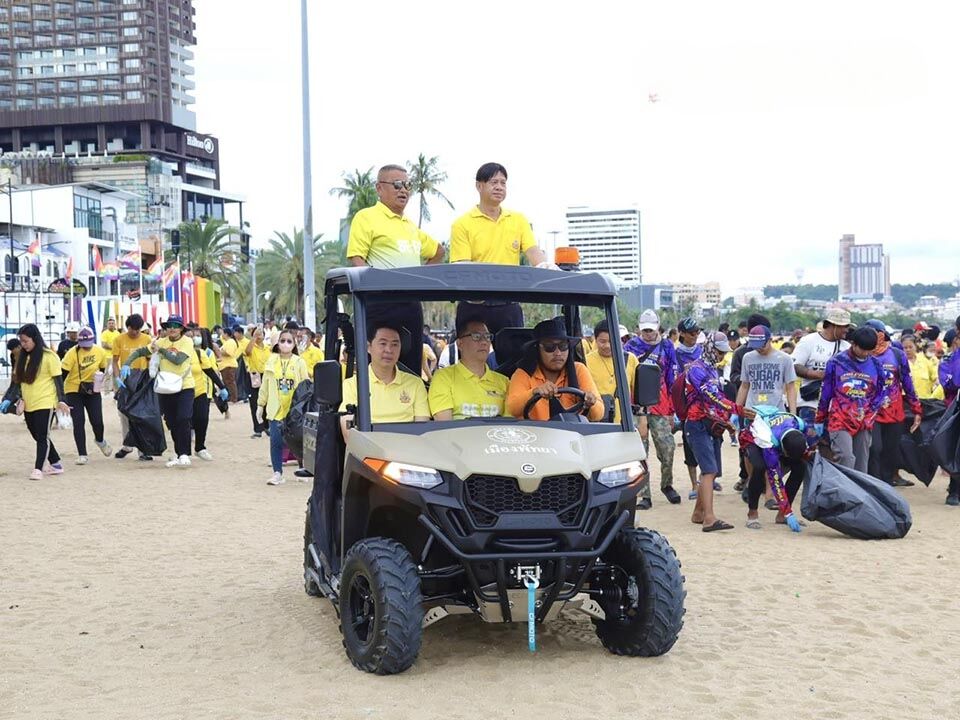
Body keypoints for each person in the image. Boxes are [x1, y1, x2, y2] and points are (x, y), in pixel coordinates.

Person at [347, 163, 445, 374]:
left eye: (407, 185)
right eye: (397, 185)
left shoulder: (410, 226)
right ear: (379, 188)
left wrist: (421, 282)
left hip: (410, 305)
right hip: (379, 304)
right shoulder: (366, 217)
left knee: (411, 369)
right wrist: (372, 290)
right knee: (375, 367)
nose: (404, 190)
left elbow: (438, 251)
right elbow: (357, 258)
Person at [450, 162, 548, 339]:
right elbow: (462, 266)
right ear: (479, 186)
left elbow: (533, 251)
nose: (499, 187)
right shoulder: (462, 224)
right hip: (474, 305)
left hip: (508, 304)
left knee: (513, 354)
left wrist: (545, 265)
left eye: (503, 183)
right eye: (493, 182)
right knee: (472, 354)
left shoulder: (518, 220)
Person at [684, 332, 747, 532]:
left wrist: (725, 420)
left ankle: (698, 513)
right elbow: (711, 396)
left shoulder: (711, 369)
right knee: (709, 471)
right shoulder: (697, 369)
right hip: (697, 424)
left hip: (710, 424)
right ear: (710, 349)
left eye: (723, 352)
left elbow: (715, 399)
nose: (722, 356)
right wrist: (736, 409)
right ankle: (709, 518)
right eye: (719, 352)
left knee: (710, 471)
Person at [121, 315, 195, 468]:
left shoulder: (187, 341)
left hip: (184, 386)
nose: (172, 328)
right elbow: (141, 351)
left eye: (176, 326)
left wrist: (160, 350)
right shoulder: (160, 341)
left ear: (181, 328)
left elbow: (178, 360)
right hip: (165, 387)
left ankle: (184, 453)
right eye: (169, 325)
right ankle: (179, 453)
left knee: (183, 418)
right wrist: (127, 363)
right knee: (171, 422)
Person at [624, 310, 681, 506]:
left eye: (651, 330)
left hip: (661, 403)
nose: (648, 334)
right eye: (645, 330)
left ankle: (667, 484)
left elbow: (672, 378)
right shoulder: (630, 347)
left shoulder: (667, 346)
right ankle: (644, 494)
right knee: (641, 450)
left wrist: (672, 409)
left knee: (667, 447)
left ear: (657, 328)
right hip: (636, 404)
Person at [2, 324, 70, 480]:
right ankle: (56, 463)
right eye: (21, 341)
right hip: (29, 403)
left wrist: (62, 400)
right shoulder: (22, 357)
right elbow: (17, 383)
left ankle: (38, 468)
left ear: (35, 339)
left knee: (42, 435)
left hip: (45, 402)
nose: (23, 344)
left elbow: (58, 381)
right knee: (37, 435)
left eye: (26, 341)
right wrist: (8, 399)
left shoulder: (50, 356)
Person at [339, 322, 430, 440]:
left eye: (395, 344)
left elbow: (422, 430)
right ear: (368, 347)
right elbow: (349, 433)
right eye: (383, 343)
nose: (389, 350)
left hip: (407, 448)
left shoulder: (415, 384)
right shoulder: (353, 385)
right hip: (368, 449)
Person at [815, 327, 886, 472]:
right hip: (840, 418)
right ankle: (842, 487)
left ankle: (858, 488)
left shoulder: (876, 365)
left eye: (869, 350)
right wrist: (820, 418)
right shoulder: (836, 362)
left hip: (864, 419)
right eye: (862, 349)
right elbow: (826, 392)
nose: (865, 353)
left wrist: (870, 415)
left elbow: (880, 393)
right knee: (846, 458)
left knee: (861, 464)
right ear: (853, 344)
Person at [506, 319, 603, 421]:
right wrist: (534, 392)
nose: (558, 353)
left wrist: (591, 403)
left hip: (572, 430)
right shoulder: (523, 373)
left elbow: (598, 414)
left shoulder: (578, 370)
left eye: (563, 346)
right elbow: (513, 408)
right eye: (549, 347)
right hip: (536, 430)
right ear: (537, 349)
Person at [864, 319, 922, 486]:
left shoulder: (897, 354)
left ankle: (887, 485)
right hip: (871, 412)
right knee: (874, 449)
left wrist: (916, 408)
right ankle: (874, 485)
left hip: (894, 411)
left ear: (882, 334)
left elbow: (907, 382)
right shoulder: (862, 355)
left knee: (890, 451)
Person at [740, 406, 818, 531]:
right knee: (759, 468)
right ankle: (752, 513)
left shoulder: (801, 424)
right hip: (753, 437)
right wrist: (789, 512)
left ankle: (781, 516)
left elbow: (811, 444)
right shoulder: (769, 444)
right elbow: (776, 482)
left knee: (800, 466)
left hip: (780, 432)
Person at [256, 328, 311, 485]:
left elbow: (306, 386)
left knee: (297, 440)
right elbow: (265, 385)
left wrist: (305, 406)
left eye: (289, 341)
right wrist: (260, 405)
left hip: (294, 410)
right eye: (282, 341)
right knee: (276, 441)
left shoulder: (299, 362)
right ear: (277, 343)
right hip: (275, 408)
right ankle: (277, 473)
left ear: (294, 344)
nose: (285, 344)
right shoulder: (271, 362)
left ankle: (302, 469)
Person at [429, 319, 509, 420]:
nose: (484, 342)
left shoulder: (504, 382)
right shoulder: (443, 378)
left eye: (487, 337)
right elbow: (444, 425)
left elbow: (510, 425)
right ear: (460, 344)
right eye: (476, 336)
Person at [60, 326, 112, 465]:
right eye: (83, 344)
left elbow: (102, 368)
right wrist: (60, 396)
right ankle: (82, 454)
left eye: (88, 344)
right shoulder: (72, 353)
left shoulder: (100, 351)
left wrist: (98, 379)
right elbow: (62, 375)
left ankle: (100, 440)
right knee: (78, 421)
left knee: (97, 420)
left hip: (92, 389)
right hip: (73, 389)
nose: (86, 347)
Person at [792, 309, 853, 426]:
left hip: (837, 408)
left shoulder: (847, 348)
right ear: (833, 325)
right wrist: (818, 374)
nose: (847, 330)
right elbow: (795, 366)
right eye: (845, 326)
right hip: (811, 406)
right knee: (811, 437)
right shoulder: (809, 341)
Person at [110, 313, 153, 460]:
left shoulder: (147, 339)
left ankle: (143, 450)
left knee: (141, 414)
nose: (134, 332)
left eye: (137, 329)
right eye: (132, 329)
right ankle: (127, 445)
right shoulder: (119, 339)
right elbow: (115, 361)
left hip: (142, 379)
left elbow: (150, 360)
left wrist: (150, 378)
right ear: (127, 327)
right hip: (126, 379)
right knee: (124, 414)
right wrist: (117, 378)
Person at [186, 324, 229, 461]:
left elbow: (210, 371)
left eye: (195, 336)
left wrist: (221, 387)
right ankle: (182, 451)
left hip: (201, 391)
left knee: (202, 419)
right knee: (184, 422)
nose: (193, 339)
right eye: (190, 337)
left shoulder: (201, 353)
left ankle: (200, 447)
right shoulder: (177, 353)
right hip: (183, 393)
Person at [736, 325, 798, 414]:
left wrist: (793, 414)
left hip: (776, 412)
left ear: (770, 340)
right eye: (756, 346)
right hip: (752, 412)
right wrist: (736, 411)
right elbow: (744, 386)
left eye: (762, 345)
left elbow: (790, 388)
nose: (759, 349)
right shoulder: (747, 358)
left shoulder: (785, 359)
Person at [937, 328, 960, 505]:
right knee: (956, 450)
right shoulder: (947, 361)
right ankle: (954, 490)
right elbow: (953, 383)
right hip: (955, 410)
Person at [244, 327, 271, 438]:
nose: (259, 336)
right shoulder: (251, 346)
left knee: (267, 402)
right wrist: (254, 338)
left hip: (266, 376)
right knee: (255, 403)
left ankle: (267, 426)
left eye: (261, 334)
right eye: (256, 334)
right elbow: (247, 352)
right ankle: (258, 429)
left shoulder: (268, 348)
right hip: (254, 376)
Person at [902, 334, 943, 400]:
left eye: (910, 347)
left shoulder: (925, 360)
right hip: (908, 402)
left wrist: (934, 396)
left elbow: (936, 378)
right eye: (905, 348)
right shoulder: (900, 363)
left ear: (915, 346)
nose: (908, 350)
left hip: (926, 400)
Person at [217, 325, 240, 403]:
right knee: (227, 382)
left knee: (230, 382)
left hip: (229, 365)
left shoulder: (231, 342)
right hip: (225, 366)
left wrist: (219, 351)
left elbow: (229, 353)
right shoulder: (227, 342)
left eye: (223, 333)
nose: (222, 335)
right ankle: (230, 397)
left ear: (226, 334)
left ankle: (234, 398)